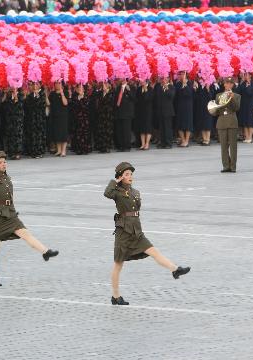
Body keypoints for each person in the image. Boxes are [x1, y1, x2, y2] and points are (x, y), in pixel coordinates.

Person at [104, 162, 191, 305]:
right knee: (118, 264)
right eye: (126, 174)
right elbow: (106, 193)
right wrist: (115, 181)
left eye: (131, 174)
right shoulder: (116, 192)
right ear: (120, 177)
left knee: (154, 251)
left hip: (136, 230)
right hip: (124, 232)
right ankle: (115, 296)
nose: (130, 176)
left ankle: (175, 269)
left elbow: (137, 209)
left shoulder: (135, 192)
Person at [0, 151, 59, 287]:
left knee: (25, 233)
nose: (4, 164)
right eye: (1, 162)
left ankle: (45, 252)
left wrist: (13, 210)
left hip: (10, 213)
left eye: (5, 161)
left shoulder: (6, 177)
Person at [215, 77, 241, 173]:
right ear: (224, 84)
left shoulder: (237, 96)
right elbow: (217, 110)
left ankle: (233, 167)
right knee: (223, 146)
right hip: (221, 122)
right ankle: (226, 166)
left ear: (233, 85)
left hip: (232, 122)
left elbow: (236, 108)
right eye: (227, 83)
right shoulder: (218, 95)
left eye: (231, 83)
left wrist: (232, 98)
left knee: (233, 146)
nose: (229, 85)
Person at [48, 81, 69, 157]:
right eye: (56, 83)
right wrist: (45, 93)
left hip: (63, 116)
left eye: (59, 83)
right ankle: (59, 150)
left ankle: (63, 151)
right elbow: (49, 103)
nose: (57, 85)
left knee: (63, 133)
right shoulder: (52, 93)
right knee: (57, 133)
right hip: (54, 115)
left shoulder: (65, 92)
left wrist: (62, 93)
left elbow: (65, 103)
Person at [1, 87, 24, 160]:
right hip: (9, 119)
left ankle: (18, 153)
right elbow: (4, 105)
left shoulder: (21, 95)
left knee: (18, 136)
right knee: (10, 136)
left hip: (18, 119)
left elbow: (21, 105)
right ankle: (11, 153)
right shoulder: (8, 95)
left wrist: (16, 96)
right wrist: (6, 94)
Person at [69, 84, 92, 155]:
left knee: (84, 133)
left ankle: (85, 148)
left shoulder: (86, 96)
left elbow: (85, 107)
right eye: (79, 88)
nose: (80, 89)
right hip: (77, 118)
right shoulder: (75, 97)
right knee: (77, 133)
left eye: (81, 88)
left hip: (84, 118)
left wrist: (82, 98)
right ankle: (78, 149)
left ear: (84, 89)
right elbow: (73, 106)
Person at [114, 79, 136, 152]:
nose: (122, 80)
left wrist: (129, 90)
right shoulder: (118, 88)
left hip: (127, 112)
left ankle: (127, 146)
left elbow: (134, 98)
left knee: (126, 130)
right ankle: (121, 146)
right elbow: (115, 99)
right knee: (119, 130)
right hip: (119, 111)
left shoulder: (131, 87)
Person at [174, 72, 194, 147]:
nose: (180, 75)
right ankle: (183, 139)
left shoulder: (190, 83)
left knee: (188, 123)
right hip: (180, 106)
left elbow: (189, 94)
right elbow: (177, 94)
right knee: (180, 123)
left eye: (182, 74)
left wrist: (185, 85)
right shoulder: (178, 84)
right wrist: (182, 85)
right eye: (180, 74)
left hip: (188, 106)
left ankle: (187, 140)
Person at [237, 73, 253, 143]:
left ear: (250, 76)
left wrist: (248, 85)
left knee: (250, 121)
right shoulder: (243, 83)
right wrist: (241, 82)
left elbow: (250, 93)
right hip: (243, 105)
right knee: (245, 121)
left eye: (246, 75)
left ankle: (250, 137)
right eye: (244, 75)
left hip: (250, 105)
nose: (245, 76)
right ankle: (246, 137)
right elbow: (238, 92)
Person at [135, 80, 154, 150]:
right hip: (141, 110)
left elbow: (148, 98)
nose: (141, 82)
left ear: (146, 82)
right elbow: (137, 99)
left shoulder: (150, 89)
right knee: (142, 127)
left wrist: (146, 90)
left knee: (148, 127)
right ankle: (143, 144)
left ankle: (147, 143)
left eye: (143, 81)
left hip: (148, 111)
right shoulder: (139, 89)